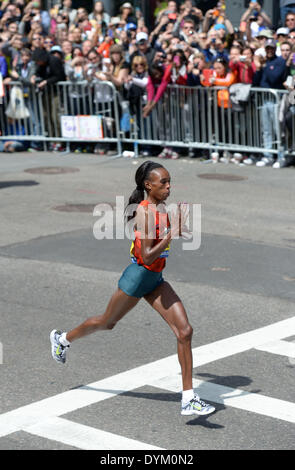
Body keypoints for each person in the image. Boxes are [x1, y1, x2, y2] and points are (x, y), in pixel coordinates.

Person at [50, 160, 216, 417]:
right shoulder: (145, 212)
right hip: (138, 277)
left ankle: (188, 398)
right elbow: (147, 256)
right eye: (164, 183)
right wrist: (173, 232)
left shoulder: (159, 209)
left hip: (155, 280)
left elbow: (165, 240)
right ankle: (62, 339)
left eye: (170, 181)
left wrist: (178, 228)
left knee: (185, 331)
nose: (169, 187)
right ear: (148, 185)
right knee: (107, 322)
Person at [253, 39, 287, 168]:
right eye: (267, 49)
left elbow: (274, 78)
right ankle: (267, 155)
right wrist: (258, 68)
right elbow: (256, 82)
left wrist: (264, 66)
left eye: (271, 48)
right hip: (264, 99)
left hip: (276, 100)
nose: (269, 51)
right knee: (266, 130)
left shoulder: (279, 62)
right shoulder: (264, 63)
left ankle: (280, 155)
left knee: (278, 130)